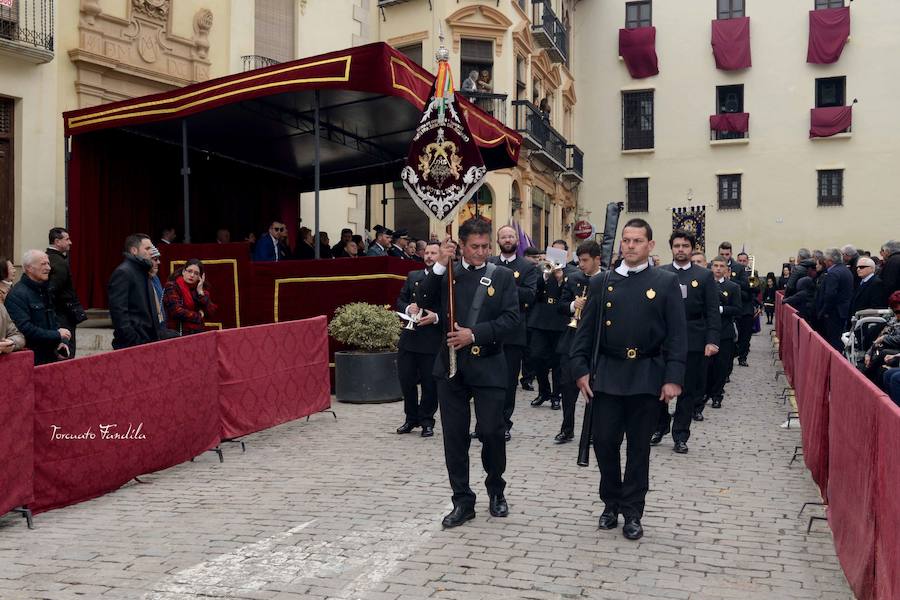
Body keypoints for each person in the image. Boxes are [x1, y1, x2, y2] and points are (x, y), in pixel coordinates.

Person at [571, 218, 686, 540]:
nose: (631, 246)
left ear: (650, 246)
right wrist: (579, 369)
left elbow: (677, 335)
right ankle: (611, 502)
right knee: (605, 442)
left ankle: (633, 510)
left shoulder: (664, 282)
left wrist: (673, 376)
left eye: (637, 241)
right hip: (607, 374)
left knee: (638, 449)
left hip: (646, 376)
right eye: (626, 240)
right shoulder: (602, 283)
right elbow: (586, 332)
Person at [421, 217, 519, 528]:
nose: (481, 252)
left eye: (485, 246)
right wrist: (440, 266)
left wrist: (474, 334)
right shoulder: (448, 273)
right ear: (461, 246)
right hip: (452, 367)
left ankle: (496, 488)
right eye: (474, 247)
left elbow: (511, 320)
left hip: (488, 365)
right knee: (454, 436)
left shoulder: (501, 276)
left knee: (491, 431)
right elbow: (421, 298)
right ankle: (462, 500)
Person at [653, 230, 719, 453]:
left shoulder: (704, 276)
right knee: (658, 385)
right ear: (671, 248)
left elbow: (712, 311)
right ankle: (660, 426)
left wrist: (712, 340)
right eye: (677, 246)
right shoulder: (660, 273)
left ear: (692, 249)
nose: (681, 249)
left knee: (688, 389)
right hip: (663, 338)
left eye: (685, 246)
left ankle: (681, 434)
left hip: (693, 338)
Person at [488, 225, 538, 440]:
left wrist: (504, 287)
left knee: (508, 381)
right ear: (497, 240)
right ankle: (485, 422)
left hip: (513, 333)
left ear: (517, 240)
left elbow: (529, 295)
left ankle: (503, 423)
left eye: (511, 236)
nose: (507, 239)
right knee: (487, 380)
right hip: (488, 330)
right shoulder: (489, 263)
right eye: (503, 236)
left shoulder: (526, 266)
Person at [555, 240, 603, 443]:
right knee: (567, 387)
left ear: (597, 259)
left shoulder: (607, 279)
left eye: (585, 260)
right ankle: (567, 428)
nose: (581, 264)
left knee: (594, 388)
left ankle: (592, 429)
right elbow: (561, 306)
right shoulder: (573, 279)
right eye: (579, 260)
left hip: (596, 341)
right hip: (572, 340)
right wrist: (574, 304)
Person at [395, 241, 442, 438]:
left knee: (430, 384)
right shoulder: (414, 275)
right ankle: (410, 418)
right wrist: (407, 308)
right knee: (406, 380)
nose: (429, 256)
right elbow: (400, 300)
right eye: (427, 252)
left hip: (431, 337)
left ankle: (426, 420)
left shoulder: (446, 278)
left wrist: (436, 316)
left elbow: (451, 307)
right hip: (409, 336)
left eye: (434, 253)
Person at [4, 250, 71, 365]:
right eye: (43, 264)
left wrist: (61, 342)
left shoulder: (45, 289)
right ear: (29, 268)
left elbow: (54, 320)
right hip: (31, 361)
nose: (49, 268)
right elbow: (25, 329)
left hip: (50, 357)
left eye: (48, 263)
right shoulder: (17, 295)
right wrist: (56, 335)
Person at [108, 233, 174, 349]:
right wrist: (133, 340)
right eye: (147, 248)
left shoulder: (144, 272)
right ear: (134, 250)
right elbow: (119, 313)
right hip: (133, 345)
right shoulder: (124, 272)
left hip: (148, 342)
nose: (151, 251)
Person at [528, 240, 570, 410]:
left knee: (557, 362)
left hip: (559, 322)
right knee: (537, 357)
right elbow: (534, 293)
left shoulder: (571, 273)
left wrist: (561, 281)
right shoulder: (540, 270)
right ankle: (543, 391)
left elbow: (568, 298)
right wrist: (545, 276)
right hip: (541, 320)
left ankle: (556, 395)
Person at [703, 256, 742, 412]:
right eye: (715, 266)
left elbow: (737, 309)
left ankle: (717, 396)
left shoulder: (732, 287)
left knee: (721, 366)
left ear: (727, 269)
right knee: (706, 367)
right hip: (706, 331)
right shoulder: (704, 285)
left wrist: (721, 310)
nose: (718, 268)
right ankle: (704, 393)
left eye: (721, 266)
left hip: (724, 332)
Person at [47, 227, 87, 358]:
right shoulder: (58, 263)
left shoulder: (52, 258)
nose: (70, 242)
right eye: (67, 239)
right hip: (62, 315)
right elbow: (52, 291)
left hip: (59, 313)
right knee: (66, 354)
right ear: (57, 242)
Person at [163, 259, 217, 336]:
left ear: (200, 277)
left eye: (196, 273)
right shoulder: (172, 286)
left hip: (197, 334)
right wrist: (199, 316)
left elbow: (211, 313)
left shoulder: (200, 290)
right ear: (183, 272)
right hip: (177, 334)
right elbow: (177, 311)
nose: (192, 275)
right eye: (189, 271)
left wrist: (200, 293)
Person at [819, 248, 854, 352]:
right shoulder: (845, 270)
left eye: (825, 259)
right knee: (838, 338)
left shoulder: (833, 273)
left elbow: (830, 295)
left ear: (830, 260)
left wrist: (823, 312)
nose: (824, 262)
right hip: (843, 311)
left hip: (834, 313)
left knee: (834, 341)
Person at [733, 251, 757, 366]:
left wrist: (747, 287)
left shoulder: (752, 273)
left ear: (747, 261)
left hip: (747, 309)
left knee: (746, 336)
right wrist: (745, 287)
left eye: (744, 261)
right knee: (736, 335)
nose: (742, 263)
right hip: (736, 308)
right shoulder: (732, 272)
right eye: (740, 261)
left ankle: (743, 357)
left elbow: (754, 290)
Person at [148, 246, 166, 327]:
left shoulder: (155, 278)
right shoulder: (141, 279)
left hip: (160, 325)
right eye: (155, 259)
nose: (159, 262)